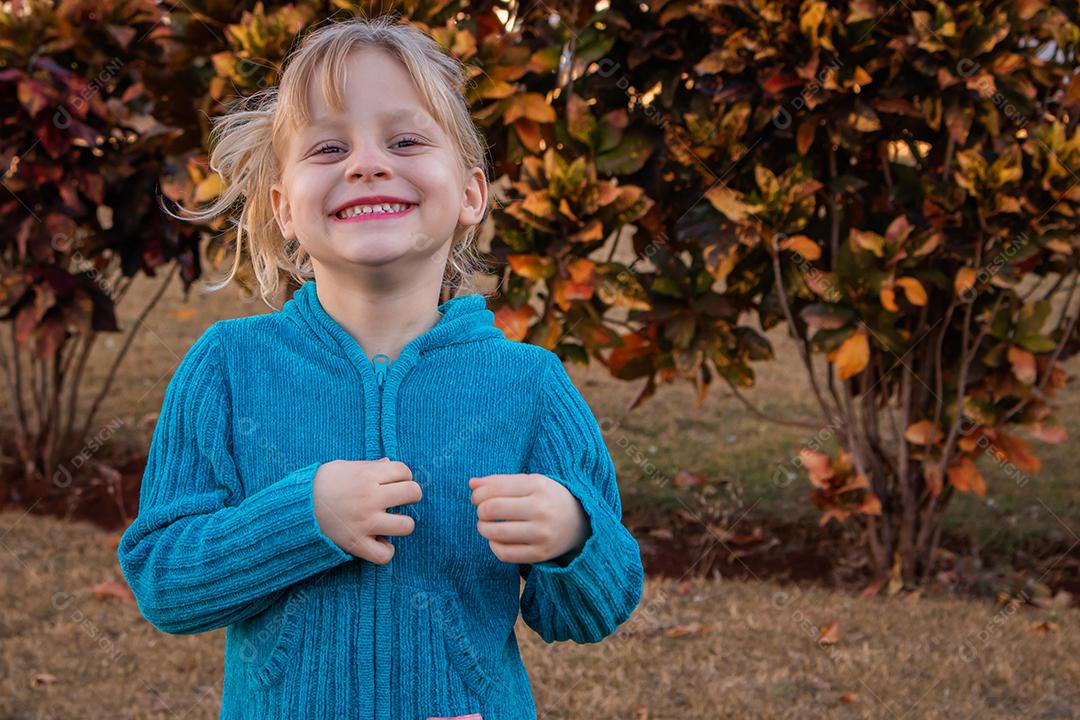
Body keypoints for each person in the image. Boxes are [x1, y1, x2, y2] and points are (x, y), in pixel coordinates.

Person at [117, 15, 644, 720]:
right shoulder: (228, 367)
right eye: (329, 147)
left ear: (471, 193)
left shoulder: (531, 384)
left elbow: (594, 610)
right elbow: (164, 583)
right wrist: (302, 518)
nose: (366, 164)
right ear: (284, 209)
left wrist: (575, 535)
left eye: (405, 141)